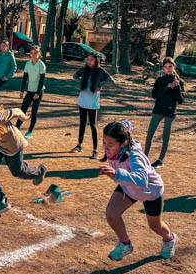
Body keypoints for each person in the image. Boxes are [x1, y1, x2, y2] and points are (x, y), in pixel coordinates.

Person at [100, 120, 177, 261]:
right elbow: (125, 128)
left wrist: (116, 174)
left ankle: (169, 238)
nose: (106, 147)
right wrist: (127, 124)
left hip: (149, 191)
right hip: (128, 186)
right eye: (104, 142)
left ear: (123, 143)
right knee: (111, 214)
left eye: (110, 145)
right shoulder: (121, 140)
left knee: (155, 225)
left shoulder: (135, 156)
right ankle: (125, 244)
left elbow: (142, 179)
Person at [144, 57, 184, 169]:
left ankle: (160, 160)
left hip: (170, 111)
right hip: (158, 110)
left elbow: (180, 100)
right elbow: (154, 95)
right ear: (163, 68)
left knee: (165, 137)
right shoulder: (160, 80)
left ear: (174, 67)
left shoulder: (179, 82)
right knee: (150, 134)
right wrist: (167, 87)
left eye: (170, 66)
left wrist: (177, 87)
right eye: (166, 67)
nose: (168, 69)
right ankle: (145, 157)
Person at [71, 53, 112, 159]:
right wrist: (80, 82)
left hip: (93, 103)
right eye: (88, 59)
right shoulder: (84, 69)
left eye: (91, 60)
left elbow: (111, 81)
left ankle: (95, 150)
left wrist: (100, 85)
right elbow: (74, 76)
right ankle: (79, 145)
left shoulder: (101, 71)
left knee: (93, 125)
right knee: (82, 123)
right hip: (82, 101)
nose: (89, 62)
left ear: (96, 60)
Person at [15, 44, 45, 139]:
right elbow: (25, 78)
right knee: (23, 110)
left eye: (35, 53)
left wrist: (37, 93)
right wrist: (22, 91)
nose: (33, 55)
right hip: (30, 90)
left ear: (39, 54)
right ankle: (16, 128)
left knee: (34, 111)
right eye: (31, 53)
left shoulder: (41, 65)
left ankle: (30, 132)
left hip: (38, 91)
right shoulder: (28, 64)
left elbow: (42, 80)